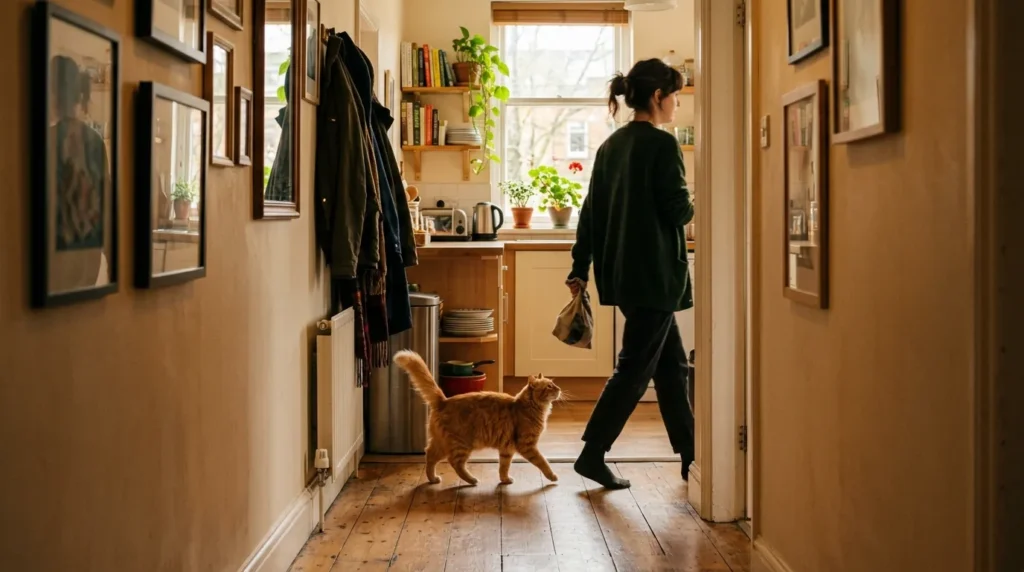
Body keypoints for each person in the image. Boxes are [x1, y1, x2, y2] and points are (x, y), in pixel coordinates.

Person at [569, 59, 695, 490]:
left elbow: (589, 214)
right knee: (634, 369)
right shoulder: (662, 146)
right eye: (675, 94)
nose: (677, 103)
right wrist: (703, 189)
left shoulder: (611, 146)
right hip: (656, 277)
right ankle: (591, 454)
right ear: (658, 97)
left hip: (623, 276)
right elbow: (678, 210)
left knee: (672, 366)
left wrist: (578, 267)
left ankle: (691, 455)